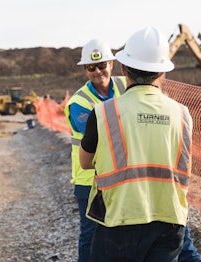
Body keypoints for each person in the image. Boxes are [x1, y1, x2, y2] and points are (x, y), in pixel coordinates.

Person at [79, 27, 193, 261]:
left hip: (120, 218)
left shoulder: (103, 113)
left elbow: (85, 162)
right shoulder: (183, 114)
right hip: (170, 220)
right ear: (162, 73)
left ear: (122, 68)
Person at [64, 38, 126, 262]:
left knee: (118, 229)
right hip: (88, 179)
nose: (98, 71)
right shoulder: (79, 102)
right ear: (85, 70)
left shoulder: (125, 85)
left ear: (112, 63)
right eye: (92, 67)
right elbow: (99, 140)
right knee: (91, 233)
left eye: (102, 65)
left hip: (118, 173)